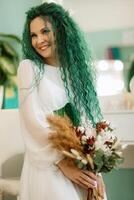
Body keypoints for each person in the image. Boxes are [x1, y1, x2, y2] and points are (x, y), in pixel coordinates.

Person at [17, 2, 107, 200]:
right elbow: (33, 122)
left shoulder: (76, 72)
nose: (39, 40)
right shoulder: (29, 68)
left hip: (79, 160)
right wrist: (62, 164)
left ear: (60, 29)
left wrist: (95, 169)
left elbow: (87, 122)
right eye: (33, 35)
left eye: (44, 31)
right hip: (47, 163)